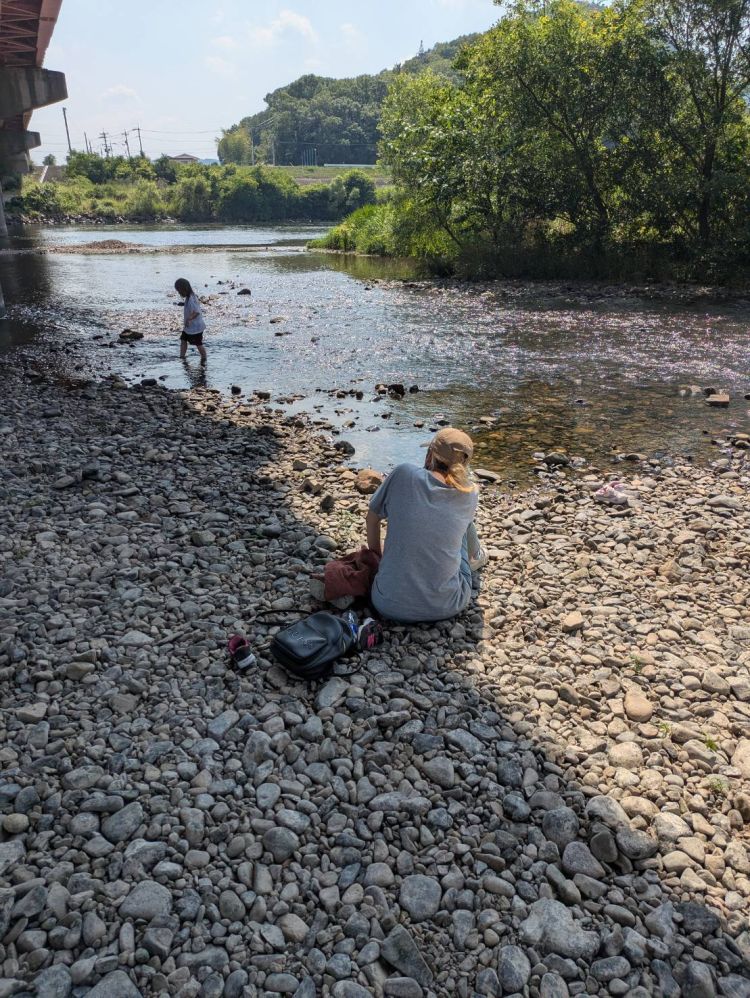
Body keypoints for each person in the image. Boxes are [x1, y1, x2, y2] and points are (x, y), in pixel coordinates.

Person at [366, 427, 488, 624]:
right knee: (462, 524)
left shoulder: (402, 473)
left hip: (386, 602)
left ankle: (476, 554)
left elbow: (372, 519)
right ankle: (477, 556)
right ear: (465, 464)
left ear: (430, 454)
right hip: (447, 606)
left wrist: (378, 559)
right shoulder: (471, 492)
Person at [175, 278, 207, 366]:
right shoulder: (189, 296)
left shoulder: (191, 299)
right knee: (183, 339)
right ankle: (182, 356)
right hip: (189, 327)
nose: (179, 293)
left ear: (184, 289)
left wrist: (189, 319)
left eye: (179, 291)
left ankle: (204, 358)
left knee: (198, 344)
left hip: (195, 327)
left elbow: (196, 312)